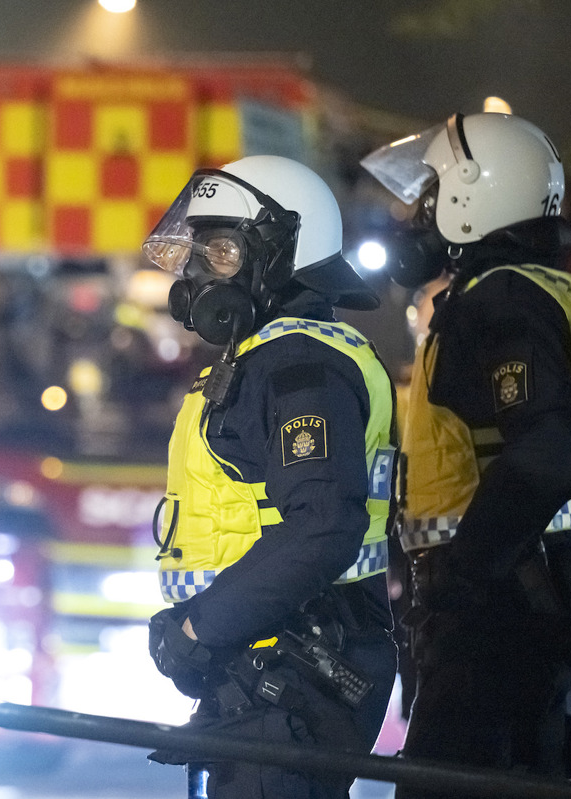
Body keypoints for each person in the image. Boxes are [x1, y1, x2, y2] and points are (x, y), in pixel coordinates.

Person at [362, 112, 571, 795]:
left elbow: (550, 451)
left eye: (431, 197)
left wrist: (465, 579)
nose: (417, 218)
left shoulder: (503, 298)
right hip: (536, 593)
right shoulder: (547, 292)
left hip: (497, 610)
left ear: (476, 195)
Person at [144, 155, 398, 798]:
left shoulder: (299, 365)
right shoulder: (271, 357)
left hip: (293, 669)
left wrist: (203, 627)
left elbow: (323, 526)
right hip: (266, 670)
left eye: (222, 250)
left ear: (286, 252)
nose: (201, 272)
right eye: (199, 251)